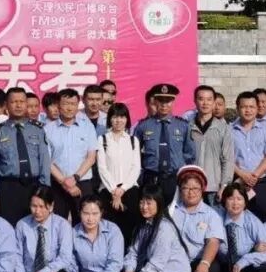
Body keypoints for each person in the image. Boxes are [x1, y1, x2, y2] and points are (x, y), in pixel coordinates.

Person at [121, 184, 191, 272]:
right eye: (142, 202)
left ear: (159, 204)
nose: (144, 207)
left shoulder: (164, 228)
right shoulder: (145, 225)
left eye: (149, 203)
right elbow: (133, 253)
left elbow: (155, 265)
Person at [170, 166, 225, 272]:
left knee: (213, 268)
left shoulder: (210, 214)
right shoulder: (171, 211)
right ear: (180, 190)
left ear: (202, 190)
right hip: (174, 261)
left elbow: (213, 241)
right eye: (186, 188)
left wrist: (205, 263)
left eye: (195, 188)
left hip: (196, 261)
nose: (191, 192)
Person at [0, 87, 50, 225]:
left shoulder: (38, 129)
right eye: (14, 102)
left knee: (35, 226)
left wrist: (45, 189)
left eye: (22, 102)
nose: (18, 105)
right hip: (8, 187)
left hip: (35, 186)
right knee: (8, 226)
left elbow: (44, 160)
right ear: (6, 105)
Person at [134, 83, 196, 205]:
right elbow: (134, 153)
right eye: (160, 101)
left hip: (174, 177)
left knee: (174, 210)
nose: (164, 105)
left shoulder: (183, 126)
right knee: (150, 209)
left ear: (173, 102)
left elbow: (190, 154)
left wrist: (182, 172)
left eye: (168, 101)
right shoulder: (143, 126)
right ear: (155, 102)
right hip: (151, 177)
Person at [45, 88, 98, 221]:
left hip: (82, 183)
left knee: (85, 222)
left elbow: (91, 157)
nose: (69, 108)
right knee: (57, 223)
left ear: (78, 105)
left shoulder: (87, 127)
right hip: (58, 184)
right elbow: (47, 160)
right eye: (66, 104)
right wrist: (64, 182)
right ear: (58, 105)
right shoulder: (48, 129)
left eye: (73, 104)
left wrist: (75, 178)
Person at [230, 91, 266, 222]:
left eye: (251, 107)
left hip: (262, 182)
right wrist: (242, 174)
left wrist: (255, 175)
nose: (248, 110)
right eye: (244, 107)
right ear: (237, 108)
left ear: (257, 108)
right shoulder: (228, 130)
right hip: (238, 182)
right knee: (239, 218)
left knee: (265, 219)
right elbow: (225, 157)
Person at [96, 102, 141, 243]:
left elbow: (136, 167)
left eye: (122, 117)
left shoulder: (133, 140)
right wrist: (114, 190)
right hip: (108, 190)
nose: (118, 120)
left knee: (130, 228)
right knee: (109, 229)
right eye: (115, 117)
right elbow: (102, 167)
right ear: (110, 119)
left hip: (129, 190)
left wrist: (122, 189)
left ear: (127, 119)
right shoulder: (103, 139)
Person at [188, 85, 235, 206]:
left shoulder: (223, 129)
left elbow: (227, 160)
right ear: (195, 101)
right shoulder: (187, 127)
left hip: (214, 187)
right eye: (201, 99)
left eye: (209, 99)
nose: (205, 103)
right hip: (191, 186)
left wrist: (224, 186)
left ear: (214, 102)